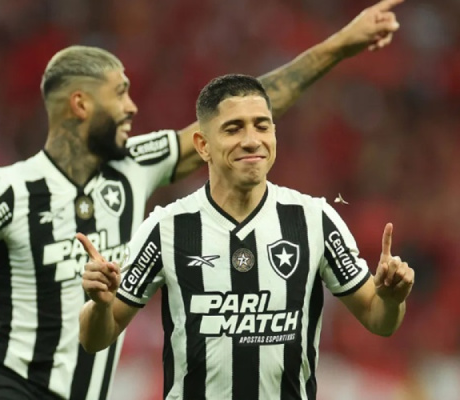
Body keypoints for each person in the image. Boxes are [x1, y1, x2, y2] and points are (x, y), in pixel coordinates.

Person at [0, 1, 405, 399]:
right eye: (120, 94)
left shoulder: (136, 163)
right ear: (80, 104)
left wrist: (342, 44)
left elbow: (248, 107)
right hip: (13, 388)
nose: (134, 107)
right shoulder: (12, 191)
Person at [77, 73, 414, 400]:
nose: (252, 140)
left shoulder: (314, 219)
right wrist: (100, 306)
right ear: (203, 146)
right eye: (233, 128)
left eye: (262, 126)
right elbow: (95, 338)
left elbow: (379, 320)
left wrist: (391, 299)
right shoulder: (168, 227)